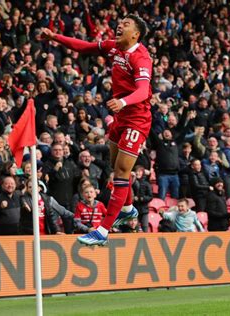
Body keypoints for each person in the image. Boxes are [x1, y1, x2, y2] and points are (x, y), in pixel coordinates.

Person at [42, 14, 152, 246]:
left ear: (136, 34)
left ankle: (103, 230)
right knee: (115, 165)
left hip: (137, 119)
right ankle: (128, 208)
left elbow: (143, 90)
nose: (119, 26)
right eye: (119, 22)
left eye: (126, 24)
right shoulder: (114, 47)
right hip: (121, 116)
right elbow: (85, 47)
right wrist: (56, 38)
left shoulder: (141, 58)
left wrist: (122, 102)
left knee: (121, 173)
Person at [131, 165, 152, 232]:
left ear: (143, 173)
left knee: (145, 227)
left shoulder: (147, 184)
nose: (138, 173)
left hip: (144, 209)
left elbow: (150, 196)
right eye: (136, 171)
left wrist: (142, 198)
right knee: (135, 228)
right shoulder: (132, 183)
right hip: (135, 209)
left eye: (140, 171)